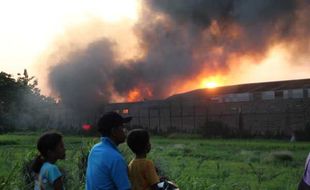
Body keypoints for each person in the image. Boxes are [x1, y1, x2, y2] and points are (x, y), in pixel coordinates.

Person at [86, 111, 132, 190]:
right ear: (114, 131)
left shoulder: (95, 149)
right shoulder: (116, 159)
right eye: (122, 127)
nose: (125, 130)